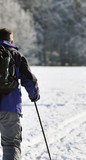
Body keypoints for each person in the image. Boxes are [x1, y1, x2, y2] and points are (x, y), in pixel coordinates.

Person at [0, 28, 40, 160]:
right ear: (11, 40)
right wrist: (34, 95)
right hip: (9, 106)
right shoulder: (16, 55)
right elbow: (29, 79)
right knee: (11, 144)